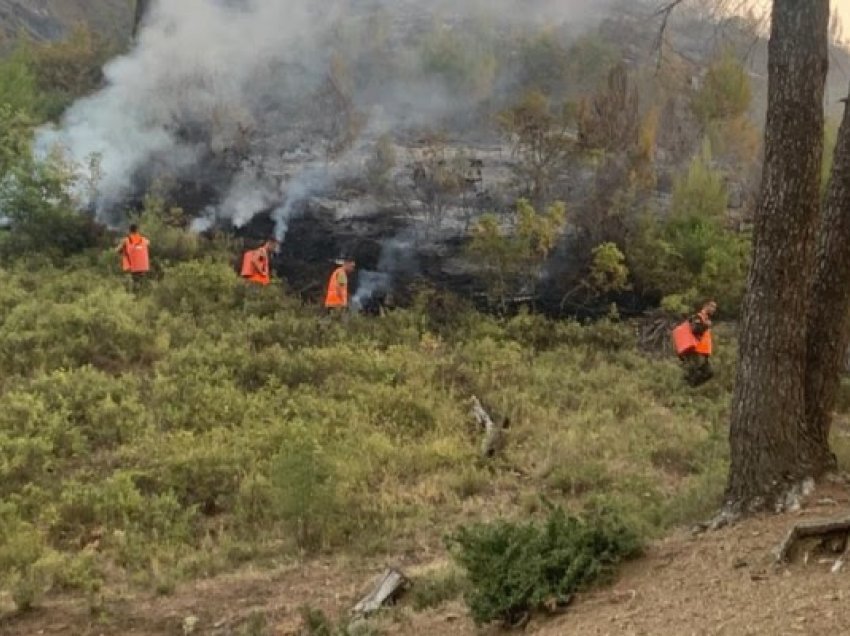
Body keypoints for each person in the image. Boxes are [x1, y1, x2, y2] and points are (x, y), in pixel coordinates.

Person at [680, 300, 717, 387]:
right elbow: (695, 329)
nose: (714, 309)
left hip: (703, 352)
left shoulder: (706, 319)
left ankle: (690, 387)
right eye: (712, 306)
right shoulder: (698, 317)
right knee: (695, 372)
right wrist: (706, 325)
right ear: (705, 306)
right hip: (697, 351)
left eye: (715, 307)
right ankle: (687, 388)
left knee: (709, 373)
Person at [116, 224, 150, 289]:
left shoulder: (126, 240)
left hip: (132, 267)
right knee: (140, 282)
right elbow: (148, 243)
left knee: (133, 282)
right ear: (137, 230)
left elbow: (117, 250)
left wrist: (124, 250)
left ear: (129, 231)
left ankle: (134, 294)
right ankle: (141, 292)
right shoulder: (144, 239)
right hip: (143, 266)